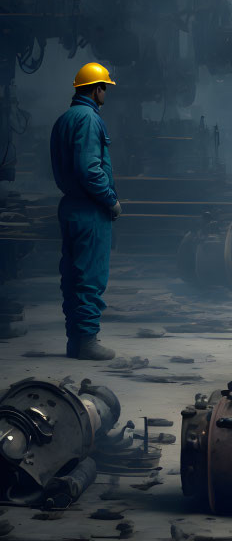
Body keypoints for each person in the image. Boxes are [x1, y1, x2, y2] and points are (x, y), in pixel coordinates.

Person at [51, 63, 121, 360]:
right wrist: (109, 200)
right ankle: (87, 341)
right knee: (90, 276)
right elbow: (89, 169)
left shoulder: (65, 119)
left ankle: (75, 340)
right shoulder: (90, 120)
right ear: (97, 89)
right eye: (105, 87)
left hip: (71, 206)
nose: (106, 92)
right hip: (90, 209)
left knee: (73, 274)